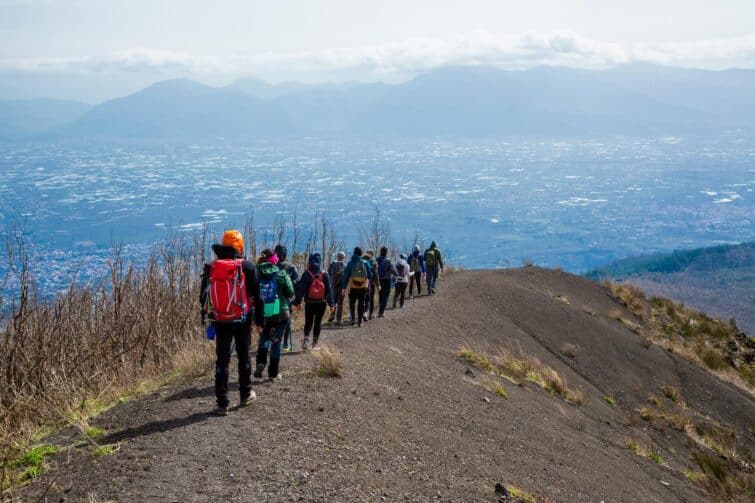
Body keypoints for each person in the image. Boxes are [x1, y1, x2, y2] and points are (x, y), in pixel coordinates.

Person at [200, 230, 264, 416]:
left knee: (222, 360)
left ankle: (222, 403)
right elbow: (258, 297)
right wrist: (259, 321)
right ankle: (245, 394)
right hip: (242, 319)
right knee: (244, 356)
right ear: (240, 246)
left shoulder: (212, 267)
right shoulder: (248, 267)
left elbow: (203, 297)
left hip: (220, 319)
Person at [255, 248, 295, 381]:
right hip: (281, 313)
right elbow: (290, 293)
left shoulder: (256, 274)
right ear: (274, 260)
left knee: (264, 338)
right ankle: (273, 373)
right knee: (276, 342)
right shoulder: (282, 274)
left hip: (263, 313)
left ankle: (260, 362)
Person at [293, 253, 335, 350]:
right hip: (321, 302)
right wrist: (331, 303)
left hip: (309, 302)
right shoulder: (324, 273)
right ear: (319, 261)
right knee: (318, 322)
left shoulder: (306, 273)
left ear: (310, 261)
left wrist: (297, 302)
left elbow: (301, 290)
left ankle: (306, 339)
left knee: (308, 321)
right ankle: (315, 343)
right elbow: (329, 289)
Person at [274, 244, 298, 352]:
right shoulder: (291, 267)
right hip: (287, 297)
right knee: (287, 320)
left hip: (273, 297)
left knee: (273, 320)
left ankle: (274, 342)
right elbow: (297, 282)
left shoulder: (272, 266)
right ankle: (285, 343)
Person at [342, 246, 373, 327]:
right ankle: (360, 321)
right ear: (361, 254)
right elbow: (370, 275)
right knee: (361, 303)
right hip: (363, 287)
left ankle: (352, 319)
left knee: (352, 303)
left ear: (354, 253)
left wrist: (344, 288)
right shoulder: (365, 263)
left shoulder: (350, 263)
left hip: (353, 287)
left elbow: (346, 276)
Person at [376, 246, 397, 317]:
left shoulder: (377, 260)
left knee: (381, 295)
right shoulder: (388, 261)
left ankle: (380, 311)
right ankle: (381, 312)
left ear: (380, 252)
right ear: (386, 253)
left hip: (379, 280)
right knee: (386, 296)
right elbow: (393, 270)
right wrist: (397, 274)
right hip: (387, 280)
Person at [327, 251, 346, 325]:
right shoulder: (345, 265)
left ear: (337, 257)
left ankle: (332, 315)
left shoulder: (332, 264)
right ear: (343, 257)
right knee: (340, 303)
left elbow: (328, 274)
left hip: (333, 286)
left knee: (333, 302)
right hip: (342, 287)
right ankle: (339, 320)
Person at [364, 249, 379, 321]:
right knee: (371, 299)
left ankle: (364, 312)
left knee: (363, 299)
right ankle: (370, 314)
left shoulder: (361, 261)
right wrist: (378, 284)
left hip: (361, 283)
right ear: (372, 255)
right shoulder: (374, 262)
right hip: (371, 283)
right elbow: (376, 274)